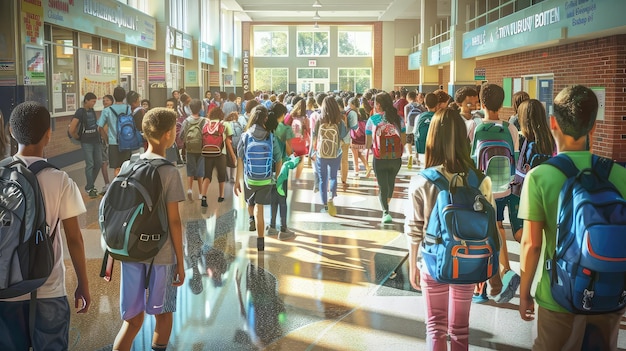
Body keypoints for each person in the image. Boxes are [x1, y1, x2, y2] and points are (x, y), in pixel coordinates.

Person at [518, 85, 626, 350]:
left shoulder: (539, 176)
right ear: (594, 127)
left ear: (553, 122)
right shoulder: (619, 175)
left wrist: (524, 294)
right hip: (609, 294)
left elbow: (531, 245)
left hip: (558, 297)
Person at [0, 102, 90, 350]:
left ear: (11, 131)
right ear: (48, 134)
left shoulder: (1, 174)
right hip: (48, 289)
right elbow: (74, 239)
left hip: (4, 287)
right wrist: (83, 283)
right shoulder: (60, 179)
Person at [405, 107, 492, 351]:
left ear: (432, 138)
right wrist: (483, 268)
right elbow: (489, 228)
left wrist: (413, 264)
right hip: (468, 261)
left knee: (435, 327)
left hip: (433, 262)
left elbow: (414, 228)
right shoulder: (480, 180)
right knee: (461, 330)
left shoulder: (422, 180)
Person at [112, 107, 185, 351]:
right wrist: (181, 263)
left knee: (132, 321)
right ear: (167, 134)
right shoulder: (169, 171)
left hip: (130, 251)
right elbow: (174, 221)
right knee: (162, 314)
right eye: (174, 129)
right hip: (161, 255)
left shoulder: (127, 165)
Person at [469, 83, 520, 304]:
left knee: (480, 236)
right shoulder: (510, 128)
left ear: (481, 103)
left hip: (481, 190)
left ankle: (480, 289)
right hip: (503, 188)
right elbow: (515, 161)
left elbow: (468, 160)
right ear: (502, 104)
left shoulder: (474, 126)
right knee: (498, 228)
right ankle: (504, 275)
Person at [234, 105, 282, 251]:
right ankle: (260, 242)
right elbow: (279, 159)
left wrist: (237, 181)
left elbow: (240, 159)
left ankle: (250, 218)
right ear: (265, 119)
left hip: (250, 178)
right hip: (266, 178)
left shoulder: (246, 136)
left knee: (250, 202)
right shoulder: (271, 136)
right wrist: (277, 178)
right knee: (260, 209)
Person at [510, 99, 555, 243]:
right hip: (548, 190)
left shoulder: (522, 139)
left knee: (523, 233)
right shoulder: (551, 139)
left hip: (525, 192)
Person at [366, 92, 406, 223]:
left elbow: (368, 144)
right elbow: (404, 140)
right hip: (395, 158)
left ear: (378, 105)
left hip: (379, 158)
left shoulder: (372, 120)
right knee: (391, 182)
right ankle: (387, 202)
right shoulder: (398, 119)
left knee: (382, 185)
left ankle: (385, 212)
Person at [312, 96, 347, 216]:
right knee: (333, 177)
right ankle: (331, 198)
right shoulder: (340, 121)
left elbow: (314, 138)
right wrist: (339, 145)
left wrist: (312, 152)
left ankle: (325, 206)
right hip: (335, 153)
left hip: (321, 154)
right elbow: (345, 137)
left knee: (323, 179)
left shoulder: (319, 120)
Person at [267, 102, 297, 241]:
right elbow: (290, 150)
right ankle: (283, 228)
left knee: (273, 195)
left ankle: (272, 225)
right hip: (283, 166)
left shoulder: (267, 128)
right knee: (282, 196)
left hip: (268, 166)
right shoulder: (285, 129)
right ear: (283, 115)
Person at [69, 92, 102, 198]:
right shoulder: (80, 112)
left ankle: (89, 184)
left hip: (96, 140)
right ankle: (91, 187)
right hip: (87, 141)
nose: (94, 104)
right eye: (92, 101)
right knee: (90, 164)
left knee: (98, 163)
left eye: (95, 102)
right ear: (86, 101)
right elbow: (72, 128)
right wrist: (76, 136)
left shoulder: (92, 111)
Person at [200, 107, 235, 207]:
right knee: (221, 175)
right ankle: (221, 196)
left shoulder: (206, 125)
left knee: (207, 175)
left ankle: (203, 196)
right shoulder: (225, 124)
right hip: (221, 153)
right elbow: (228, 142)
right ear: (221, 115)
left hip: (207, 152)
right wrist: (233, 156)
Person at [98, 86, 131, 176]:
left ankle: (118, 186)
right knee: (126, 166)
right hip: (126, 142)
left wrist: (106, 139)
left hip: (113, 142)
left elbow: (99, 127)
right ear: (124, 96)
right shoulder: (128, 109)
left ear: (114, 96)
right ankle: (126, 185)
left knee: (117, 167)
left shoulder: (107, 110)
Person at [179, 99, 206, 201]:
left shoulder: (186, 121)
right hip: (201, 148)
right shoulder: (204, 120)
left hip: (190, 148)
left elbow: (181, 135)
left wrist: (186, 141)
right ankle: (200, 193)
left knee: (190, 169)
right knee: (200, 171)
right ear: (200, 108)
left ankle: (189, 189)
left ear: (190, 108)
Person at [347, 97, 369, 178]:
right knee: (359, 154)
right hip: (362, 135)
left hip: (354, 135)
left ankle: (356, 170)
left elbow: (352, 125)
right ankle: (367, 166)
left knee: (354, 154)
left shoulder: (352, 113)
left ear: (352, 104)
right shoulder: (362, 112)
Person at [99, 94, 114, 194]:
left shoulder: (108, 112)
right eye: (104, 100)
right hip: (106, 140)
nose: (105, 101)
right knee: (104, 162)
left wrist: (105, 138)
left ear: (112, 101)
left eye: (107, 100)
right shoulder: (104, 112)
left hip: (109, 140)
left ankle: (109, 184)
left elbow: (101, 127)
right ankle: (108, 184)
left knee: (107, 162)